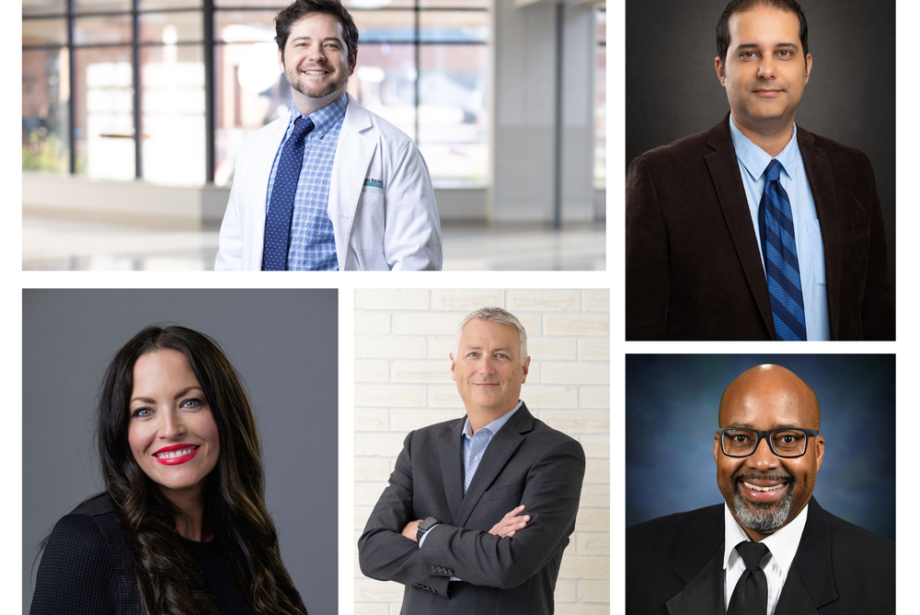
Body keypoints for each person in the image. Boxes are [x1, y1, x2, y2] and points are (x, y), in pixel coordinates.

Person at [625, 0, 894, 340]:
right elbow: (639, 330)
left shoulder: (852, 170)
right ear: (721, 69)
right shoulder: (660, 177)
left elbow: (878, 318)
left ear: (807, 67)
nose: (767, 70)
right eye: (749, 54)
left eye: (783, 53)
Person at [30, 326, 308, 615]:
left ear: (225, 413)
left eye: (190, 402)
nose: (170, 430)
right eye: (143, 411)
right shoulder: (85, 541)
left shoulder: (247, 539)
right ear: (121, 430)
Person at [358, 307, 586, 614]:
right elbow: (373, 552)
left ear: (524, 368)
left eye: (501, 356)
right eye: (474, 354)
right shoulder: (420, 445)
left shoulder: (556, 453)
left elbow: (508, 564)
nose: (485, 368)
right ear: (454, 366)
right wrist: (482, 546)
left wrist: (425, 532)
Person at [626, 364, 894, 614]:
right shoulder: (636, 554)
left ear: (817, 452)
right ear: (718, 449)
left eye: (788, 439)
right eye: (741, 438)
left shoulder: (889, 575)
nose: (762, 462)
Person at [215, 0, 442, 271]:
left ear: (352, 60)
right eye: (302, 44)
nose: (316, 56)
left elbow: (416, 263)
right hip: (263, 309)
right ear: (281, 57)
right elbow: (232, 254)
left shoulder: (395, 149)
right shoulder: (255, 148)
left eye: (331, 45)